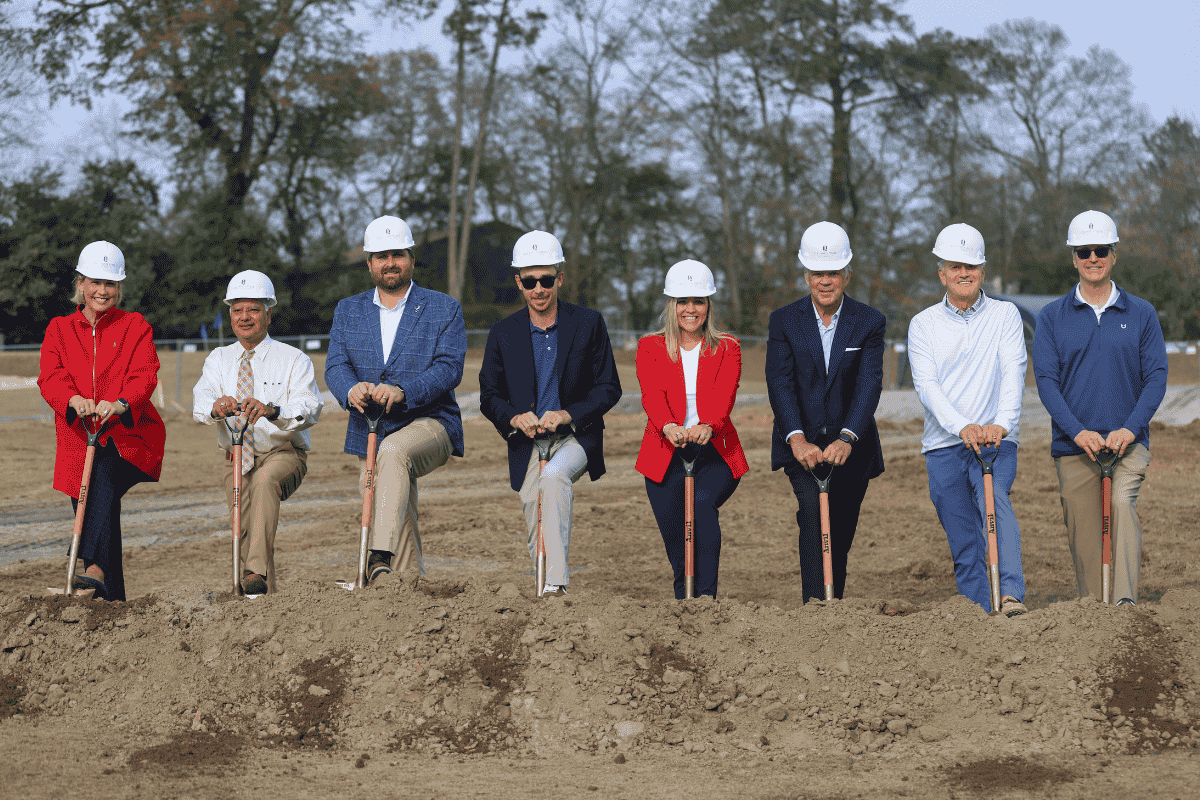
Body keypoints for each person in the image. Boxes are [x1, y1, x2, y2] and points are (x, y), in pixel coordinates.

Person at [1032, 210, 1168, 606]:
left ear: (1114, 254)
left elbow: (1156, 377)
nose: (1093, 258)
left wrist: (1130, 428)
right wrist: (1077, 431)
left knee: (1122, 504)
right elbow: (1047, 382)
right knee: (1084, 529)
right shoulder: (1052, 317)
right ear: (1073, 257)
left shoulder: (1141, 314)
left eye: (1101, 250)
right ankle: (1095, 612)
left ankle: (1124, 604)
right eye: (1084, 251)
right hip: (1075, 445)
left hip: (1128, 442)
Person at [478, 231, 621, 597]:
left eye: (545, 279)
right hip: (526, 441)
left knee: (555, 478)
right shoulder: (502, 333)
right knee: (534, 516)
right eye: (530, 281)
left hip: (575, 436)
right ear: (519, 282)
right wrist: (513, 417)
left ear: (560, 277)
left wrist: (568, 414)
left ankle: (556, 587)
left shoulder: (589, 324)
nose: (538, 289)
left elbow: (609, 388)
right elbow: (489, 395)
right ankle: (544, 588)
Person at [325, 215, 466, 582]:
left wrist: (404, 391)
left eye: (398, 254)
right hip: (369, 429)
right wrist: (349, 389)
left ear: (411, 259)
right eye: (381, 256)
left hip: (431, 423)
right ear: (369, 263)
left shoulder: (443, 308)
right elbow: (336, 366)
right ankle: (402, 587)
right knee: (393, 500)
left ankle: (377, 557)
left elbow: (449, 368)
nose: (390, 262)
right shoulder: (348, 310)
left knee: (393, 454)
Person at [907, 224, 1029, 616]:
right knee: (962, 536)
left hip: (995, 440)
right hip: (944, 444)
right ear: (942, 273)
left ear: (982, 271)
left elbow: (1014, 371)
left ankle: (1010, 594)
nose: (964, 273)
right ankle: (978, 611)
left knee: (995, 502)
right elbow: (928, 386)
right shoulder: (923, 324)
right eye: (955, 266)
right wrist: (961, 426)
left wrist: (1002, 423)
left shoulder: (1005, 315)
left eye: (972, 266)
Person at [37, 241, 165, 601]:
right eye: (95, 282)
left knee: (101, 476)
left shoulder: (135, 326)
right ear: (81, 284)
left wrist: (121, 403)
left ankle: (91, 569)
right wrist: (72, 400)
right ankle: (111, 598)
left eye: (110, 284)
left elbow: (145, 373)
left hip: (130, 437)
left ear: (119, 289)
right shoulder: (59, 329)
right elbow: (51, 376)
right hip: (79, 440)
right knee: (100, 505)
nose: (102, 291)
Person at [766, 222, 885, 602]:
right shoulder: (784, 321)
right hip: (800, 445)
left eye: (833, 272)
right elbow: (780, 382)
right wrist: (797, 438)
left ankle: (834, 612)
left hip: (853, 446)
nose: (825, 281)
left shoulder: (869, 322)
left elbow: (869, 384)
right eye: (818, 273)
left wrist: (848, 437)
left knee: (841, 529)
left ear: (847, 274)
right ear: (806, 275)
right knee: (814, 519)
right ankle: (816, 611)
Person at [192, 270, 323, 595]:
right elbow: (200, 401)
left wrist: (272, 410)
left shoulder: (293, 359)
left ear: (268, 313)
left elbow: (310, 407)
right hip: (235, 454)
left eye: (252, 309)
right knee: (247, 530)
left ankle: (252, 575)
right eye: (237, 310)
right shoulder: (219, 359)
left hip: (284, 454)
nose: (244, 317)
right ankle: (259, 601)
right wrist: (216, 406)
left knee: (265, 484)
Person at [635, 260, 747, 599]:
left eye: (698, 301)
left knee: (699, 505)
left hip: (715, 452)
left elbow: (725, 398)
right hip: (664, 451)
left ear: (708, 305)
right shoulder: (650, 347)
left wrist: (707, 426)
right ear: (672, 305)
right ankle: (684, 596)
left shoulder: (728, 347)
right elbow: (651, 395)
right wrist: (668, 425)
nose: (690, 309)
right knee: (675, 532)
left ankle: (705, 601)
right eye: (683, 301)